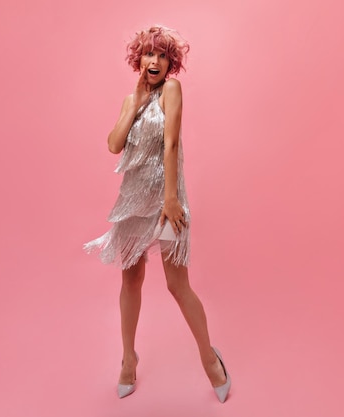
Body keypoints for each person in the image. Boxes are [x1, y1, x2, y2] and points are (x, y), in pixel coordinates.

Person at [84, 25, 231, 402]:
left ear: (171, 63)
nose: (155, 61)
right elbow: (114, 145)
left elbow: (171, 144)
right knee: (130, 280)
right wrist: (133, 103)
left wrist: (170, 199)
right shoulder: (130, 98)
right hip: (134, 201)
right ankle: (128, 361)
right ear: (139, 59)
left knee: (176, 285)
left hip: (167, 200)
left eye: (163, 56)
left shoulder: (171, 90)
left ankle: (209, 359)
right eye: (150, 54)